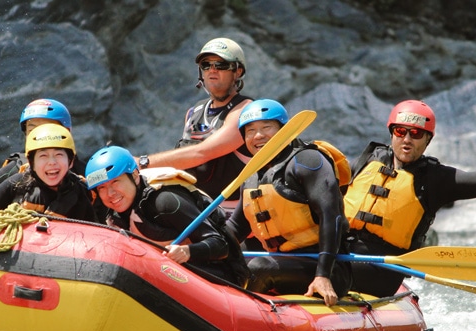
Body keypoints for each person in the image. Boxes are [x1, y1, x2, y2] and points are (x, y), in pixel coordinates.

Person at [343, 99, 476, 297]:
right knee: (317, 267)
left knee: (326, 273)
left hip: (383, 269)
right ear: (392, 133)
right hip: (341, 254)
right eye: (400, 131)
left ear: (427, 139)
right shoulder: (366, 162)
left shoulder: (434, 178)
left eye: (416, 133)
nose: (406, 139)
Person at [224, 99, 351, 306]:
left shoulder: (307, 161)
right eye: (250, 130)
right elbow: (236, 228)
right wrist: (197, 249)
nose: (258, 135)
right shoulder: (251, 176)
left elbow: (332, 216)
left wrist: (323, 275)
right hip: (281, 261)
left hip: (325, 266)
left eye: (267, 127)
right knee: (223, 261)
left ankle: (243, 318)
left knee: (259, 268)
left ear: (284, 130)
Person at [85, 145, 248, 286]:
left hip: (224, 274)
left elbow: (221, 245)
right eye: (102, 188)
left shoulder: (165, 201)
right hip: (169, 277)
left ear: (135, 176)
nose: (110, 193)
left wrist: (187, 252)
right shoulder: (112, 215)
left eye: (115, 182)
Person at [135, 37, 253, 214]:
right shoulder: (193, 112)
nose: (212, 70)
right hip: (198, 207)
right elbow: (183, 159)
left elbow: (202, 153)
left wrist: (142, 162)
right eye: (206, 65)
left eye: (220, 64)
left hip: (236, 214)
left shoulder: (246, 110)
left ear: (237, 71)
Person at [0, 123, 97, 224]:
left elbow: (97, 232)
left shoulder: (80, 193)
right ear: (31, 162)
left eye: (59, 155)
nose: (52, 162)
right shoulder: (17, 182)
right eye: (43, 156)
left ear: (71, 162)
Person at [0, 98, 81, 190]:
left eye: (47, 129)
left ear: (67, 132)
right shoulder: (9, 173)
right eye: (32, 131)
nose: (39, 135)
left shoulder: (86, 172)